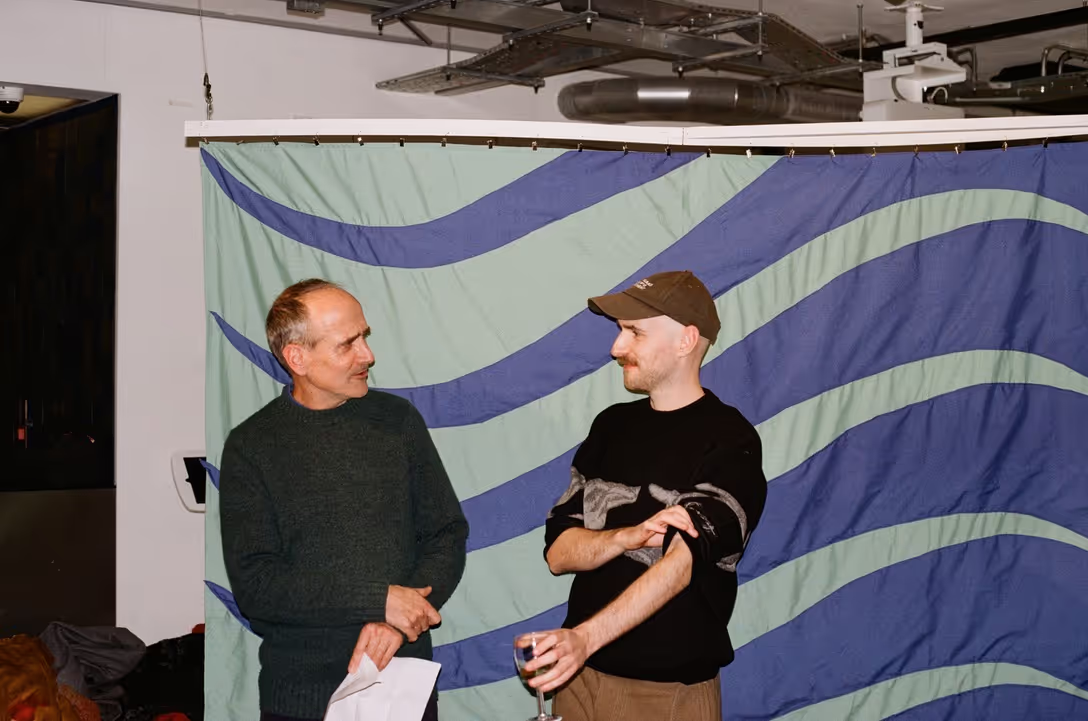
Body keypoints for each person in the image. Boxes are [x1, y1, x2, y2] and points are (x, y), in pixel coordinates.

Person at [219, 279, 468, 721]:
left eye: (365, 337)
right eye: (347, 344)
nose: (367, 355)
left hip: (402, 688)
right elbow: (258, 587)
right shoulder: (251, 446)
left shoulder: (398, 422)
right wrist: (377, 599)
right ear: (297, 358)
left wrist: (395, 618)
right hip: (300, 700)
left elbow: (446, 535)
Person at [526, 270, 767, 721]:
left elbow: (680, 566)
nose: (617, 348)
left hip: (663, 694)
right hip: (579, 681)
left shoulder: (731, 441)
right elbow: (559, 553)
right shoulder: (611, 425)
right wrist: (625, 537)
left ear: (685, 340)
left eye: (634, 332)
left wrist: (583, 640)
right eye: (620, 331)